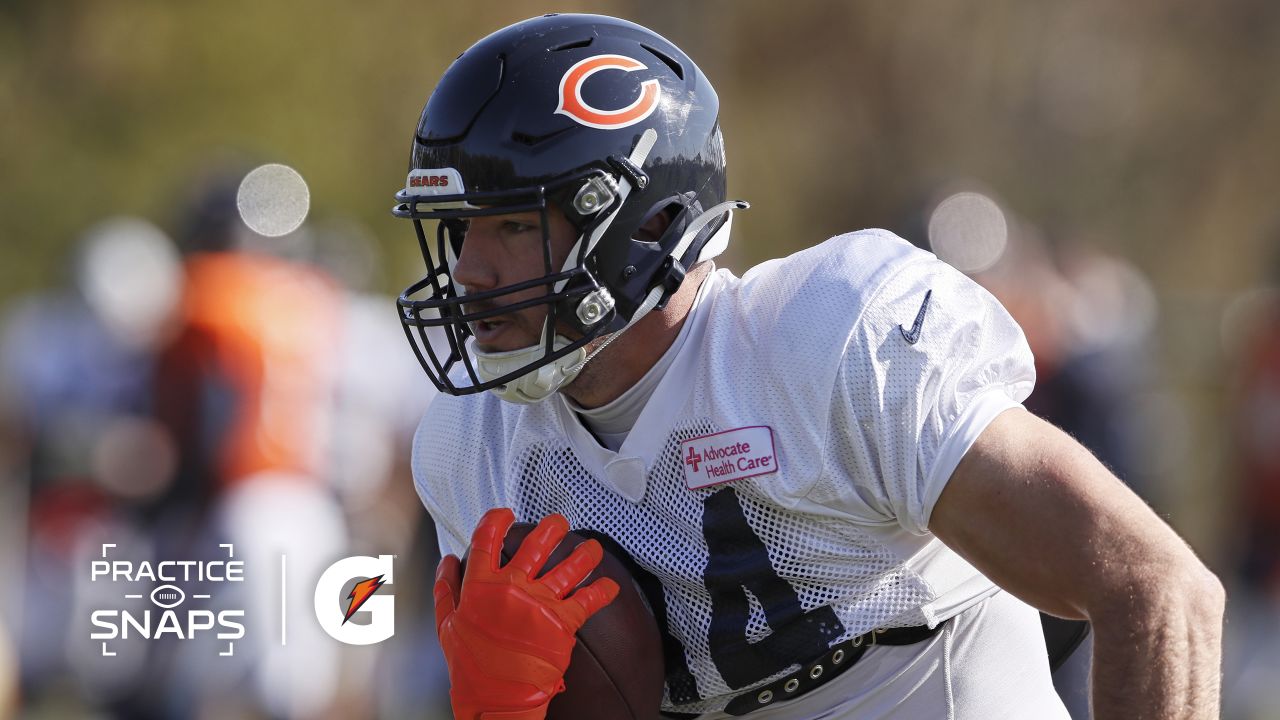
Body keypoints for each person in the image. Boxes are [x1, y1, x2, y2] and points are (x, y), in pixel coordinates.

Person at [395, 13, 1224, 720]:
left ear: (643, 226)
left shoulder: (829, 344)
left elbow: (1157, 590)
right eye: (460, 230)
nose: (469, 272)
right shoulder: (474, 448)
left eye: (510, 227)